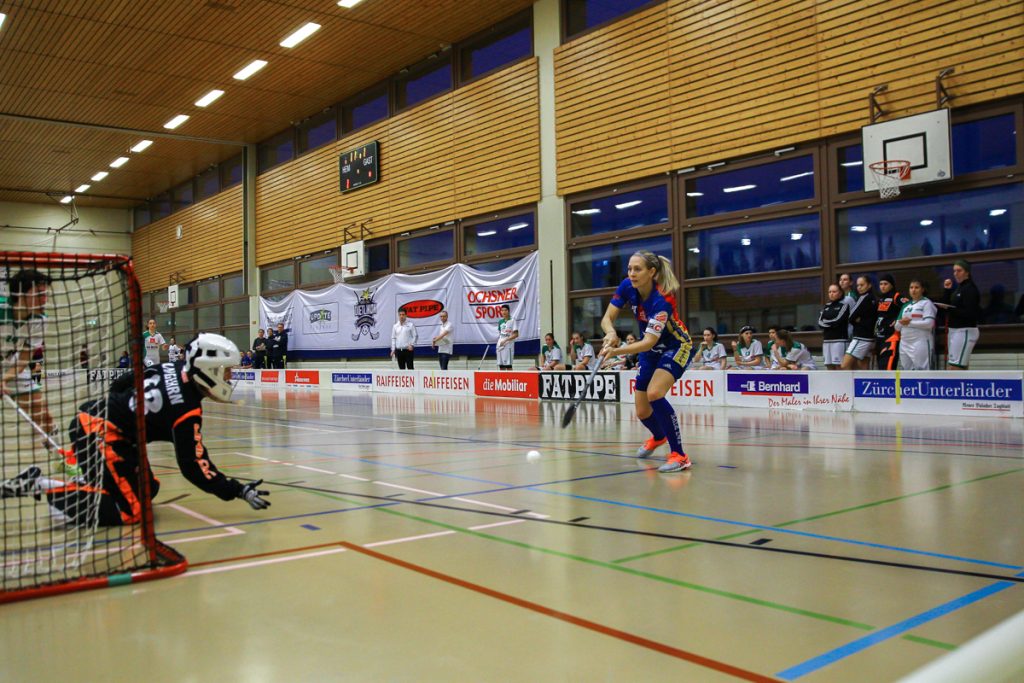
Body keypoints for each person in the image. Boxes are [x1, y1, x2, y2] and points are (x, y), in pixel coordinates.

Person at [0, 333, 271, 525]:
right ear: (208, 370)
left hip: (96, 420)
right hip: (98, 434)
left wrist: (126, 418)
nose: (230, 377)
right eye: (226, 371)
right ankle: (40, 485)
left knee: (148, 488)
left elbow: (121, 385)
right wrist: (237, 490)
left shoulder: (172, 366)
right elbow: (194, 467)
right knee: (131, 511)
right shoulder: (187, 411)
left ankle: (91, 482)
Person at [600, 250, 694, 473]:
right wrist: (610, 333)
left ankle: (679, 455)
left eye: (637, 269)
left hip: (676, 346)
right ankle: (659, 436)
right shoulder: (626, 286)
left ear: (651, 272)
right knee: (642, 411)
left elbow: (649, 341)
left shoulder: (663, 299)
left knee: (654, 394)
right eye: (630, 269)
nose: (631, 274)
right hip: (650, 350)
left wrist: (616, 352)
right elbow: (607, 318)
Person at [0, 269, 58, 452]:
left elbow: (25, 358)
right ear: (20, 294)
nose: (44, 299)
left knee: (44, 415)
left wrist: (4, 379)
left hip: (16, 364)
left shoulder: (40, 320)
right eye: (39, 294)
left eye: (45, 294)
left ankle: (57, 453)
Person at [942, 259, 981, 370]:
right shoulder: (959, 288)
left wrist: (950, 310)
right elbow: (948, 305)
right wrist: (947, 290)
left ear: (967, 272)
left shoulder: (970, 289)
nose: (955, 273)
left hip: (965, 330)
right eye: (954, 271)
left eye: (959, 271)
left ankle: (959, 387)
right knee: (956, 365)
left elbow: (970, 312)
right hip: (954, 330)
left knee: (955, 367)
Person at [895, 279, 937, 370]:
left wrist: (908, 323)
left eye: (916, 287)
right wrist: (902, 322)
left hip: (921, 342)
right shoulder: (905, 305)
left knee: (922, 370)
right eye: (911, 287)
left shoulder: (927, 303)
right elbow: (897, 327)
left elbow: (929, 324)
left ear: (922, 289)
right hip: (904, 343)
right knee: (906, 371)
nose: (913, 290)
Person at [841, 275, 877, 370]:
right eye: (858, 285)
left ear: (869, 285)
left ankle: (849, 385)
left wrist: (858, 322)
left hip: (861, 337)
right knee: (863, 367)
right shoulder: (874, 299)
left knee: (844, 365)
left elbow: (850, 316)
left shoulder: (863, 298)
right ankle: (865, 384)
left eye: (862, 285)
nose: (859, 288)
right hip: (870, 338)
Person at [874, 273, 908, 371]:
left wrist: (898, 319)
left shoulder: (896, 296)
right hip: (879, 337)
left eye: (885, 284)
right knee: (881, 368)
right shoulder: (880, 298)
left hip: (891, 337)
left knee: (887, 368)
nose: (883, 286)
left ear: (891, 285)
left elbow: (908, 306)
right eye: (881, 284)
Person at [817, 283, 850, 370]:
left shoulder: (844, 306)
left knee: (839, 366)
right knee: (829, 365)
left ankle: (842, 384)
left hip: (839, 341)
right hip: (827, 340)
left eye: (834, 291)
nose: (831, 293)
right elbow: (820, 322)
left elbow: (838, 321)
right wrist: (830, 324)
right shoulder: (826, 306)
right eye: (830, 292)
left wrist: (826, 323)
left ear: (840, 293)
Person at [495, 304, 518, 371]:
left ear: (508, 311)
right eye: (502, 310)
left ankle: (510, 380)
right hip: (500, 345)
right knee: (501, 365)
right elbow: (500, 334)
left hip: (508, 345)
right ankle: (503, 380)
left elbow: (516, 334)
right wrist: (500, 343)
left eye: (505, 310)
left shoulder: (513, 320)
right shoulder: (500, 322)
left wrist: (505, 340)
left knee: (508, 365)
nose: (504, 312)